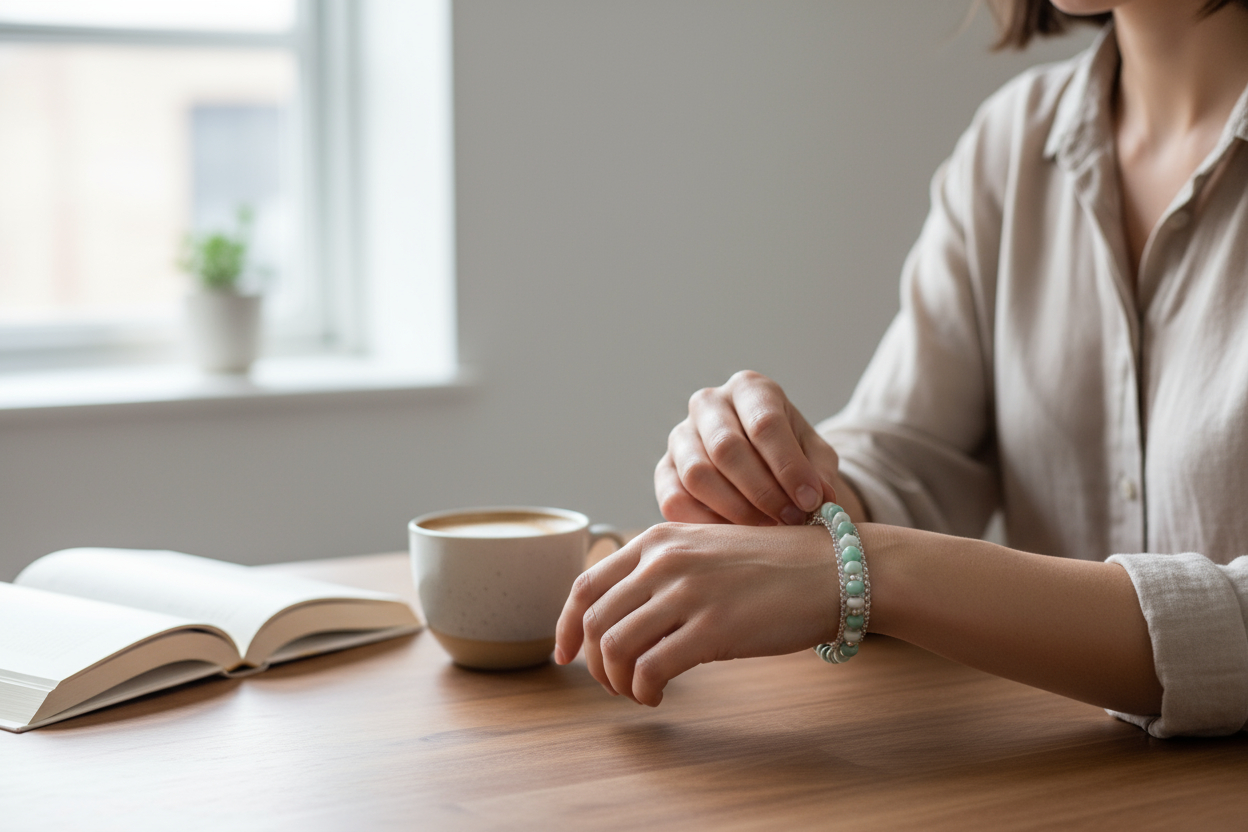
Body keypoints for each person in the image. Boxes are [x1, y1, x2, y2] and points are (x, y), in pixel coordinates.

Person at [554, 0, 1248, 738]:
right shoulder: (1013, 143)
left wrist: (862, 572)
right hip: (1060, 783)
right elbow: (913, 454)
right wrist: (791, 486)